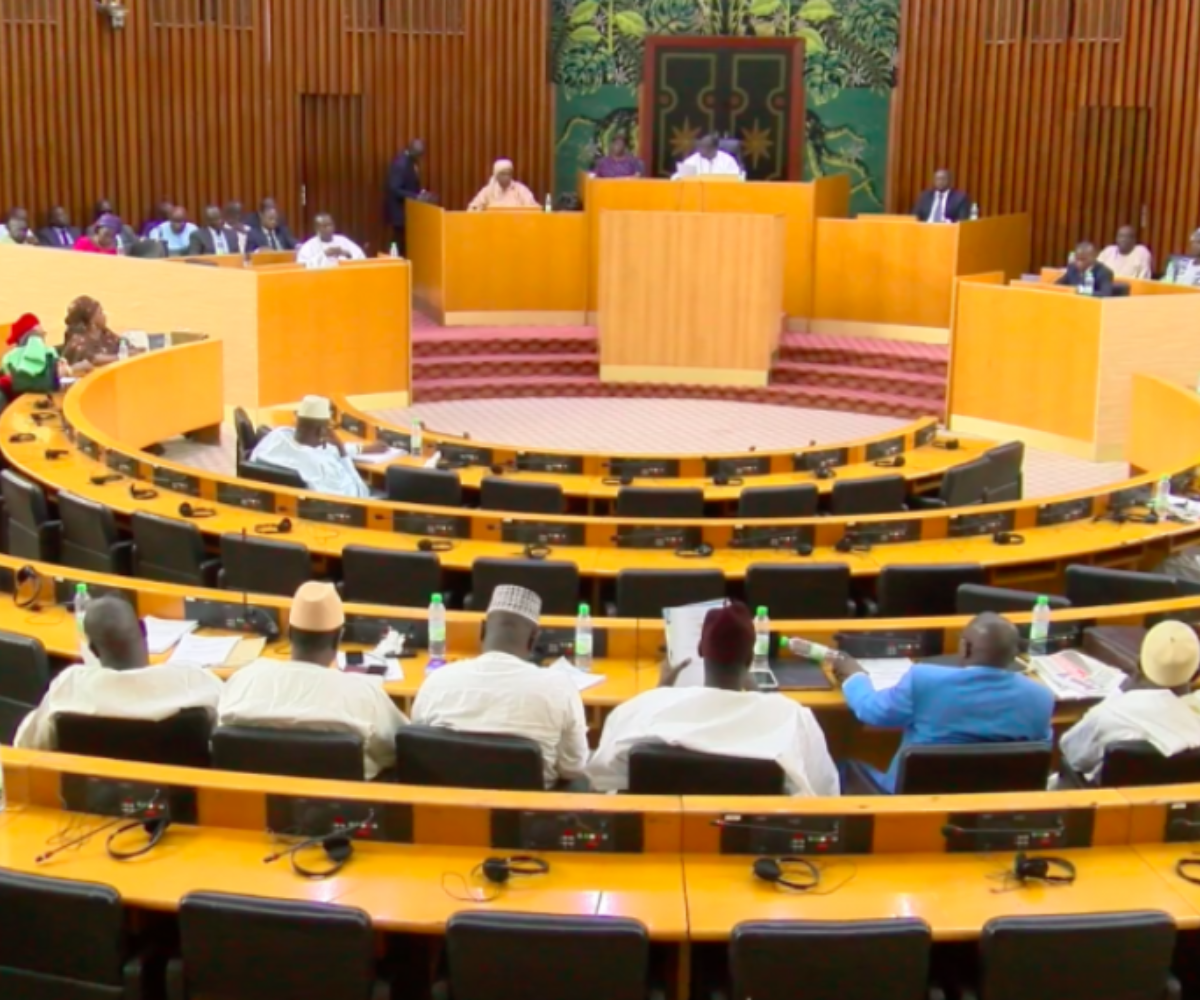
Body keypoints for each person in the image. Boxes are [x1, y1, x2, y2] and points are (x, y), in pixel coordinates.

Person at [587, 602, 839, 796]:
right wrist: (763, 699)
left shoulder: (641, 709)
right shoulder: (792, 717)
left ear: (700, 651)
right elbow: (824, 791)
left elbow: (601, 778)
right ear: (751, 658)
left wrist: (659, 691)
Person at [832, 612, 1054, 793]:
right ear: (1014, 654)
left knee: (841, 769)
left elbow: (873, 711)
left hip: (909, 803)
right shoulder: (1041, 697)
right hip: (995, 808)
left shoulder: (924, 680)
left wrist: (854, 676)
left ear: (965, 648)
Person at [218, 582, 409, 780]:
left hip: (248, 805)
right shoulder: (364, 695)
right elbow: (400, 747)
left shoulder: (244, 680)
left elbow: (218, 739)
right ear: (338, 639)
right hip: (340, 807)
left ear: (290, 634)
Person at [412, 585, 589, 789]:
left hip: (447, 811)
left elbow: (419, 746)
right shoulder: (560, 688)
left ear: (483, 631)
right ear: (533, 640)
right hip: (528, 814)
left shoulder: (437, 680)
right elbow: (573, 768)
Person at [14, 597, 223, 751]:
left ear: (93, 650)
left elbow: (26, 748)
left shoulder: (69, 688)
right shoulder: (195, 682)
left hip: (89, 803)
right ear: (143, 629)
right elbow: (228, 741)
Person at [1059, 621, 1200, 784]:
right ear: (1196, 674)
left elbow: (1072, 753)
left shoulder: (1108, 716)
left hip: (1106, 806)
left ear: (1139, 663)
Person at [250, 394, 384, 498]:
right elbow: (361, 494)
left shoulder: (277, 436)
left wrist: (361, 449)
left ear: (297, 421)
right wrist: (342, 452)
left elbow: (322, 450)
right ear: (322, 431)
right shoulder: (323, 468)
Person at [1, 313, 75, 398]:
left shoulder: (8, 357)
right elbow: (61, 378)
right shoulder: (49, 352)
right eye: (42, 334)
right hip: (45, 396)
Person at [385, 138, 428, 253]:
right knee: (397, 242)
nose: (420, 157)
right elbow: (394, 188)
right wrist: (415, 197)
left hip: (407, 212)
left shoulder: (411, 161)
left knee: (403, 242)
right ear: (412, 150)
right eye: (419, 154)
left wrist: (420, 193)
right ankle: (394, 262)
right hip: (399, 213)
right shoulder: (401, 164)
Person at [61, 296, 122, 369]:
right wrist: (123, 357)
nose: (104, 315)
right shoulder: (77, 342)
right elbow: (94, 359)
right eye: (100, 312)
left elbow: (120, 343)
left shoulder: (103, 332)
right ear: (92, 321)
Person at [295, 213, 366, 268]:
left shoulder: (343, 240)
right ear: (317, 228)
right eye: (325, 226)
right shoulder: (308, 247)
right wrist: (325, 254)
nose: (329, 228)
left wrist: (346, 254)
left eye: (330, 225)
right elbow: (303, 267)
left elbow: (361, 259)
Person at [467, 159, 538, 211]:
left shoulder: (521, 190)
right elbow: (472, 208)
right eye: (503, 174)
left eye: (508, 174)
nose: (506, 176)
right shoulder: (488, 191)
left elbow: (534, 208)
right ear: (496, 175)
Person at [672, 134, 741, 179]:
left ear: (715, 148)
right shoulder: (693, 160)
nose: (700, 150)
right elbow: (676, 177)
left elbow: (737, 178)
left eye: (705, 147)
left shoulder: (727, 160)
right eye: (700, 146)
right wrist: (679, 178)